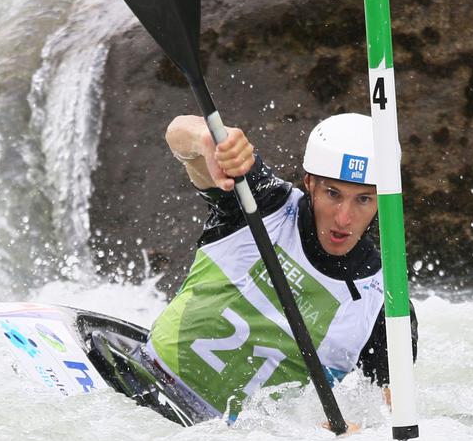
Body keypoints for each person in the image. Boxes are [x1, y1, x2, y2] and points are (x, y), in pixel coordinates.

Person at [136, 112, 418, 424]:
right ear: (310, 183)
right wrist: (206, 140)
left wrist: (356, 439)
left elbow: (396, 423)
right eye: (333, 194)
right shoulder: (261, 201)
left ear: (384, 202)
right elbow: (177, 133)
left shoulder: (385, 302)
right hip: (148, 380)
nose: (343, 218)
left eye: (364, 200)